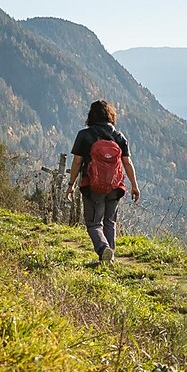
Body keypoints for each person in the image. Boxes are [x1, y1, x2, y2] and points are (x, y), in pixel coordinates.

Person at [68, 99, 139, 264]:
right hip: (115, 186)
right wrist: (134, 186)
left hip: (92, 185)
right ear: (110, 116)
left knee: (93, 223)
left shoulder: (84, 135)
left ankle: (103, 249)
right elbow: (127, 163)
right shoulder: (119, 137)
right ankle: (110, 257)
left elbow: (77, 162)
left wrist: (71, 184)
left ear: (91, 116)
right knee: (109, 222)